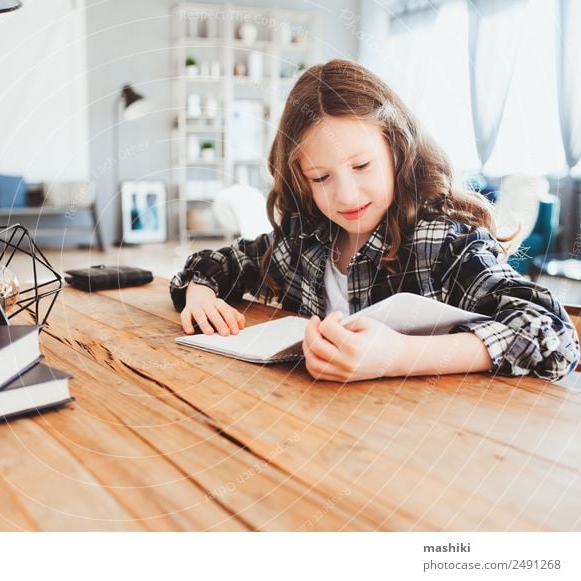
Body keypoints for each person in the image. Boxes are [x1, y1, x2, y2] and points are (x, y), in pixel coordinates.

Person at [169, 59, 579, 383]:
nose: (345, 196)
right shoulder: (305, 239)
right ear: (300, 179)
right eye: (321, 177)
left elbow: (554, 334)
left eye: (362, 165)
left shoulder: (441, 241)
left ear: (397, 151)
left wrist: (400, 355)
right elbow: (222, 261)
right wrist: (201, 294)